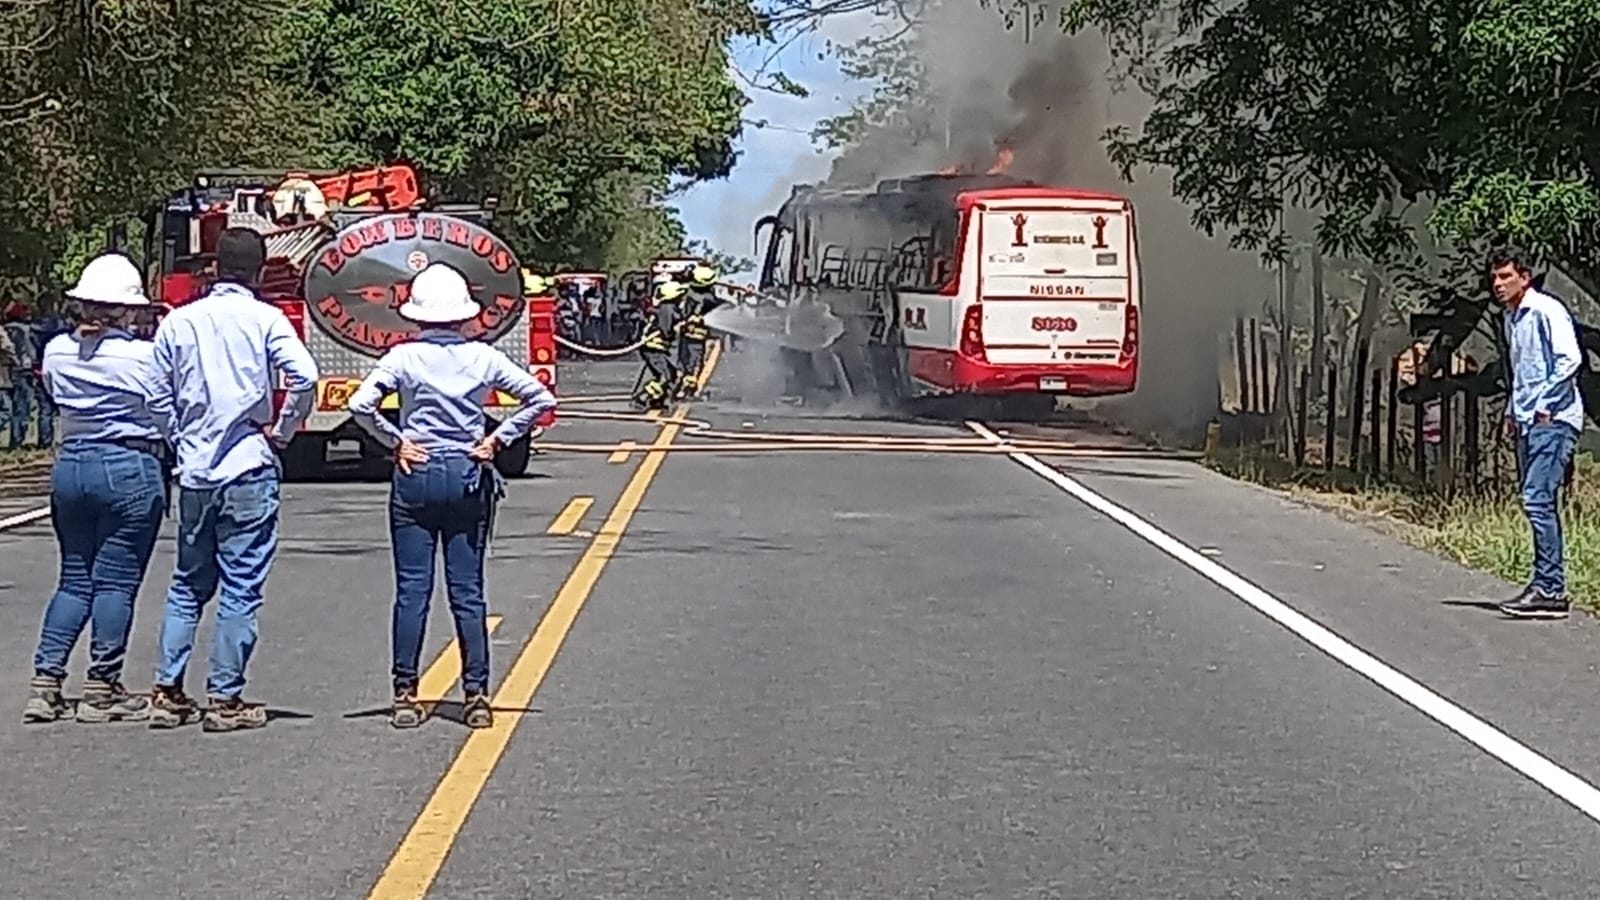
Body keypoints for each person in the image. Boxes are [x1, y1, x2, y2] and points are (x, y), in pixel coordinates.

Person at [348, 263, 557, 729]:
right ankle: (476, 695)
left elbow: (360, 405)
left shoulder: (402, 358)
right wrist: (497, 440)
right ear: (464, 315)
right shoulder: (483, 358)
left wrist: (396, 440)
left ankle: (405, 692)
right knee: (467, 591)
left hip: (416, 470)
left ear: (416, 316)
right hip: (466, 468)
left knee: (412, 590)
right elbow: (541, 400)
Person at [145, 227, 319, 730]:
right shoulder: (266, 319)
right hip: (247, 461)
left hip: (196, 469)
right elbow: (304, 377)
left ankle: (166, 690)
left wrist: (178, 438)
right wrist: (282, 431)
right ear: (261, 271)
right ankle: (224, 698)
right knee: (241, 586)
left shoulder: (180, 322)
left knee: (186, 584)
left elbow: (156, 393)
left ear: (215, 268)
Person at [22, 253, 173, 724]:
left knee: (74, 578)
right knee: (116, 581)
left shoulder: (57, 351)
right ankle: (101, 685)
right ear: (125, 310)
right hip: (128, 461)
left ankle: (46, 683)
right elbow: (165, 412)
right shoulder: (142, 356)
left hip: (73, 462)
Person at [1491, 247, 1585, 619]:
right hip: (1530, 420)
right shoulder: (1511, 319)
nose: (1498, 284)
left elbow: (1570, 359)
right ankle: (1546, 585)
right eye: (1495, 277)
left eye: (1505, 276)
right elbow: (1523, 371)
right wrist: (1515, 411)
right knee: (1537, 500)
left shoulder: (1546, 310)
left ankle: (1551, 588)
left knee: (1536, 499)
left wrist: (1546, 404)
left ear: (1524, 277)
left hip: (1554, 420)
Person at [632, 279, 685, 410]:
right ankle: (643, 397)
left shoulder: (668, 308)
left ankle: (658, 400)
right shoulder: (667, 308)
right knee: (665, 377)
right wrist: (680, 328)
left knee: (671, 374)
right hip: (653, 347)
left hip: (656, 347)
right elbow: (666, 331)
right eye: (680, 296)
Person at [678, 264, 721, 399]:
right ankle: (688, 390)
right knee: (694, 363)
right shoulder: (706, 298)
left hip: (685, 334)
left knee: (684, 361)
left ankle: (681, 387)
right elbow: (722, 305)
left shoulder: (689, 293)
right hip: (697, 336)